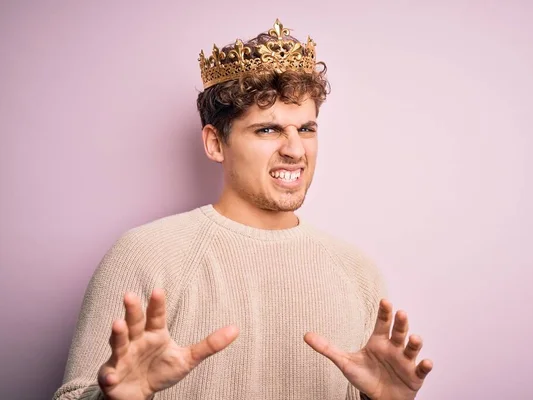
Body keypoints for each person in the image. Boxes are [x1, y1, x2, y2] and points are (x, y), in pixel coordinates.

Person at [53, 19, 433, 400]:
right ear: (216, 143)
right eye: (267, 130)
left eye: (306, 129)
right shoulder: (146, 254)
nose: (295, 150)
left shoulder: (358, 272)